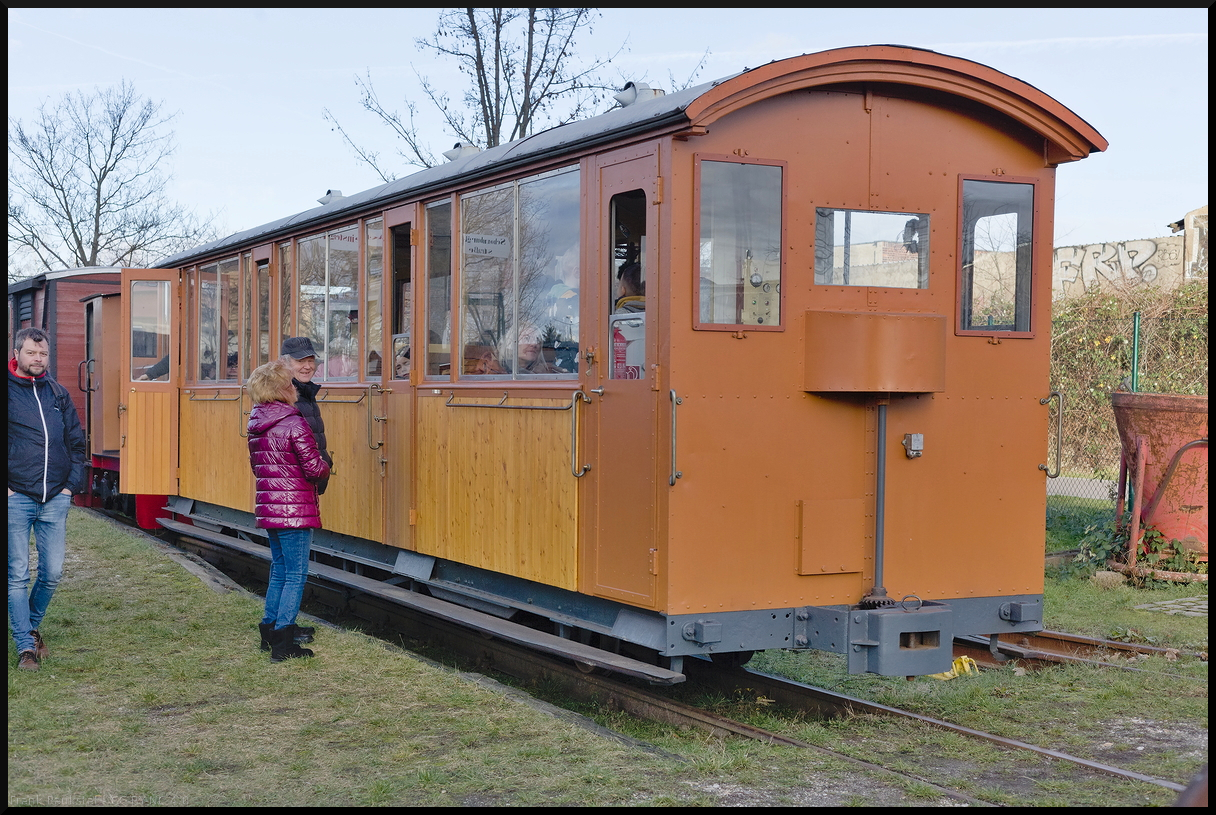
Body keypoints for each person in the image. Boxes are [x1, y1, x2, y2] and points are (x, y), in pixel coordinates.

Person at [8, 327, 87, 671]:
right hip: (16, 497)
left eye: (42, 354)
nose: (38, 359)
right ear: (17, 353)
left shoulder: (57, 393)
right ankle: (26, 647)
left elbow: (76, 441)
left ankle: (29, 625)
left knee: (52, 573)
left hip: (55, 498)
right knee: (17, 575)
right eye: (31, 353)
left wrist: (70, 486)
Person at [247, 358, 330, 661]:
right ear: (283, 389)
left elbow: (258, 467)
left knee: (279, 570)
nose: (295, 388)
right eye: (290, 384)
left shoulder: (256, 423)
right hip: (295, 509)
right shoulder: (295, 423)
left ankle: (269, 630)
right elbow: (313, 468)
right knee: (296, 574)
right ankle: (284, 643)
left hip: (270, 508)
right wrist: (326, 467)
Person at [279, 337, 332, 495]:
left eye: (311, 360)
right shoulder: (281, 395)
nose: (308, 366)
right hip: (292, 488)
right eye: (300, 361)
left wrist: (325, 463)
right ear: (285, 363)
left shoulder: (305, 392)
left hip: (304, 486)